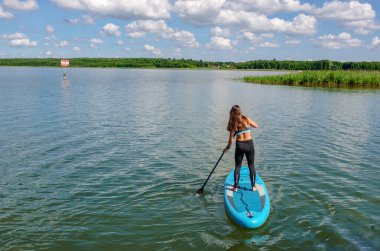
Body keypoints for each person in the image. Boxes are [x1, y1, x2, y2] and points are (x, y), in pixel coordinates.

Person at [224, 105, 258, 192]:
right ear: (240, 112)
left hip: (240, 145)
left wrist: (227, 148)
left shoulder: (232, 125)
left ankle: (235, 187)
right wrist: (249, 123)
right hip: (249, 144)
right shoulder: (246, 119)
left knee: (238, 166)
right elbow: (256, 126)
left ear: (232, 114)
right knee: (251, 165)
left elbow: (231, 140)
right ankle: (253, 186)